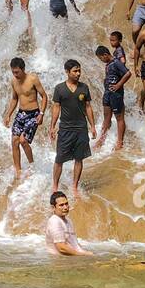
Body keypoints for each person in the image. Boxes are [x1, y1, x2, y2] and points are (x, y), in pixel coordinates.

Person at [50, 59, 96, 192]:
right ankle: (55, 186)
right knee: (59, 159)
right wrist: (52, 126)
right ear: (67, 72)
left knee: (79, 158)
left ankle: (74, 186)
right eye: (75, 71)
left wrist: (92, 126)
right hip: (65, 129)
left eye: (79, 70)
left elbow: (88, 107)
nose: (78, 73)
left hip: (81, 129)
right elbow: (56, 108)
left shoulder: (84, 88)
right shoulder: (59, 88)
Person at [2, 56, 48, 175]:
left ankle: (32, 165)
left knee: (23, 140)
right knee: (14, 141)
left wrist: (41, 114)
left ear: (23, 69)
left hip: (34, 114)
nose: (15, 74)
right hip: (21, 113)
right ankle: (18, 171)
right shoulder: (13, 81)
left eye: (17, 72)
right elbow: (14, 98)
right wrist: (8, 115)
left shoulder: (33, 79)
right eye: (13, 72)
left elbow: (44, 96)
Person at [93, 43, 131, 150]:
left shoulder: (116, 62)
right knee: (106, 118)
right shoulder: (108, 65)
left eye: (101, 58)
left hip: (116, 94)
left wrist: (118, 85)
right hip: (107, 93)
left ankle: (120, 142)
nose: (101, 60)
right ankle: (101, 139)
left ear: (105, 54)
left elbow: (128, 73)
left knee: (119, 118)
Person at [45, 190, 93, 257]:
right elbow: (61, 248)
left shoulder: (68, 220)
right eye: (61, 205)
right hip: (59, 262)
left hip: (69, 259)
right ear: (53, 207)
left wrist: (84, 252)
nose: (65, 207)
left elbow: (73, 244)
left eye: (66, 204)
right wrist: (83, 255)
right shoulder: (54, 221)